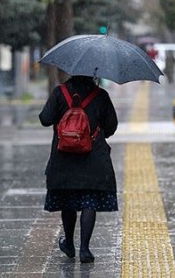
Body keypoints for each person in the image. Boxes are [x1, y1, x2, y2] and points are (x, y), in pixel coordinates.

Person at [38, 75, 119, 263]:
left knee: (68, 200)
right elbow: (112, 126)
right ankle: (85, 249)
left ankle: (69, 244)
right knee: (89, 201)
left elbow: (45, 119)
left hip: (63, 158)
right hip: (93, 158)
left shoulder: (60, 92)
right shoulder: (100, 95)